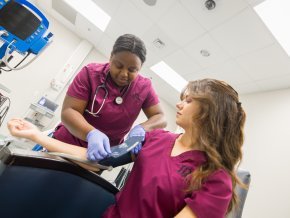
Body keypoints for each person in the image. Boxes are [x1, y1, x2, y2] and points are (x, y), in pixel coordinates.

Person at [7, 78, 246, 218]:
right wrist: (36, 135)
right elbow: (99, 159)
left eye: (189, 100)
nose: (179, 104)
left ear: (210, 112)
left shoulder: (217, 179)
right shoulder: (158, 138)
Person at [49, 34, 167, 161]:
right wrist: (90, 133)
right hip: (65, 144)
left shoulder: (144, 86)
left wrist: (142, 128)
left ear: (140, 68)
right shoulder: (90, 73)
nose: (124, 74)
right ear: (111, 57)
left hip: (100, 156)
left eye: (132, 70)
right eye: (119, 66)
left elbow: (161, 117)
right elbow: (69, 111)